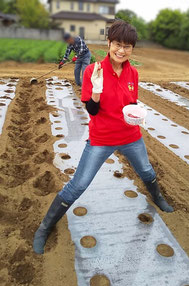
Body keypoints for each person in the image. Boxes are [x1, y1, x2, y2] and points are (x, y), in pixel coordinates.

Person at [33, 20, 174, 255]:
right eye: (118, 44)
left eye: (127, 46)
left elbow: (130, 104)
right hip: (102, 138)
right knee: (78, 185)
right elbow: (92, 111)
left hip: (130, 135)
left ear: (132, 49)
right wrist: (96, 91)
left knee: (147, 171)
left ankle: (158, 198)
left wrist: (138, 115)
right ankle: (44, 228)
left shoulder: (133, 73)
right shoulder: (92, 71)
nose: (122, 50)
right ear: (109, 43)